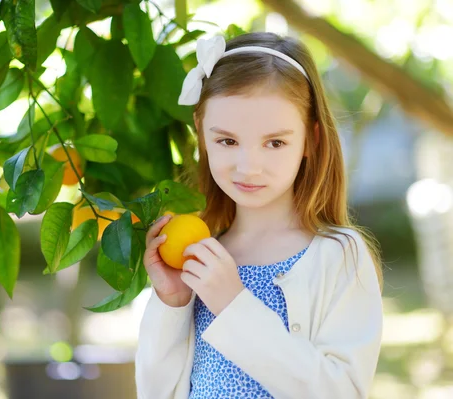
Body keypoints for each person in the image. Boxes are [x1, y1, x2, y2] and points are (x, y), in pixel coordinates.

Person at [135, 32, 384, 399]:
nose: (249, 167)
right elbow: (156, 392)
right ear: (202, 136)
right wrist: (172, 303)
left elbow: (341, 391)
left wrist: (235, 307)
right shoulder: (200, 256)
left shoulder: (339, 255)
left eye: (275, 143)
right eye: (228, 141)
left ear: (311, 141)